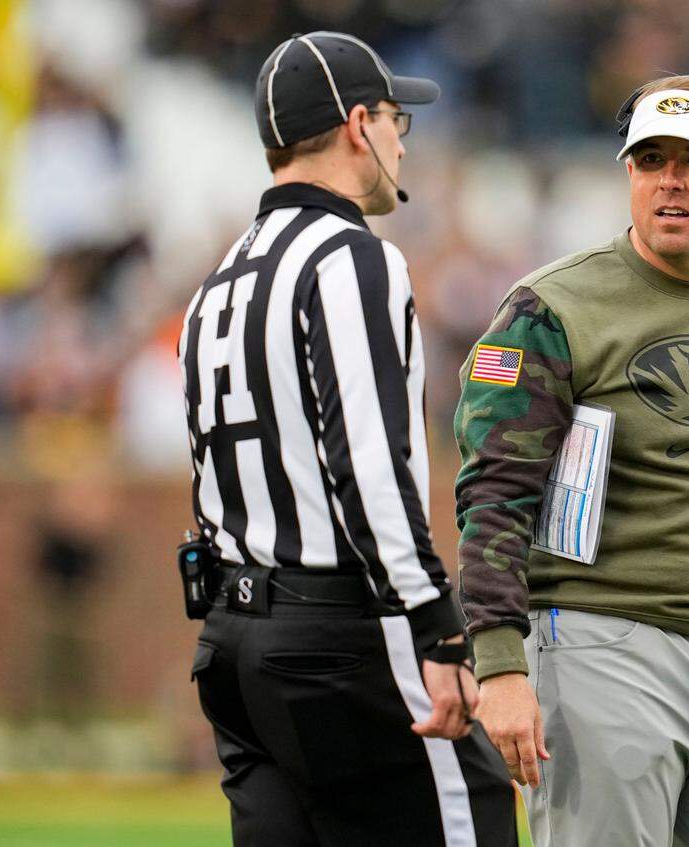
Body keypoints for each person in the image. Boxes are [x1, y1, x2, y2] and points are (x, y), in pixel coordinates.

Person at [454, 75, 689, 846]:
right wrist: (499, 664)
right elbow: (495, 492)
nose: (669, 180)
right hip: (603, 646)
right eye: (650, 158)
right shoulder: (550, 308)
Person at [178, 31, 515, 847]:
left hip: (232, 636)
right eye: (398, 118)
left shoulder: (216, 284)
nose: (404, 139)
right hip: (340, 632)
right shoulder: (352, 259)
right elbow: (366, 465)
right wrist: (437, 621)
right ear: (359, 124)